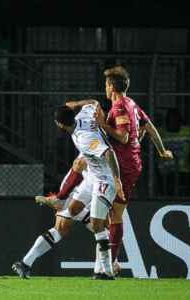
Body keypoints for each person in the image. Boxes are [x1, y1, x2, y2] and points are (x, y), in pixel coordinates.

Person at [93, 66, 173, 269]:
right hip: (127, 164)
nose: (105, 87)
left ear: (111, 86)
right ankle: (111, 260)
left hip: (124, 166)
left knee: (114, 214)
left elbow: (124, 136)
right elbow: (149, 127)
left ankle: (110, 262)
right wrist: (162, 151)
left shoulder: (120, 106)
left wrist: (102, 124)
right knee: (111, 213)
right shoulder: (132, 104)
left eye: (106, 84)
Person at [55, 102, 124, 279]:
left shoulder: (84, 138)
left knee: (96, 224)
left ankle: (107, 271)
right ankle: (107, 263)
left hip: (104, 179)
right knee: (73, 208)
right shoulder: (84, 114)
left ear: (60, 124)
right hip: (92, 176)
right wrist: (79, 104)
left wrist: (117, 181)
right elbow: (93, 102)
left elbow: (109, 153)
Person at [12, 155, 95, 279]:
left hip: (96, 189)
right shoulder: (92, 140)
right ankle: (107, 267)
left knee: (100, 229)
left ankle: (106, 267)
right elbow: (79, 164)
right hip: (79, 190)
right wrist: (61, 197)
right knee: (62, 229)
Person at [156, 108, 190, 195]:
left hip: (183, 170)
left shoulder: (187, 131)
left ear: (180, 121)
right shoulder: (160, 132)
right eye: (170, 120)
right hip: (164, 171)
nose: (173, 122)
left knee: (184, 191)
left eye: (175, 120)